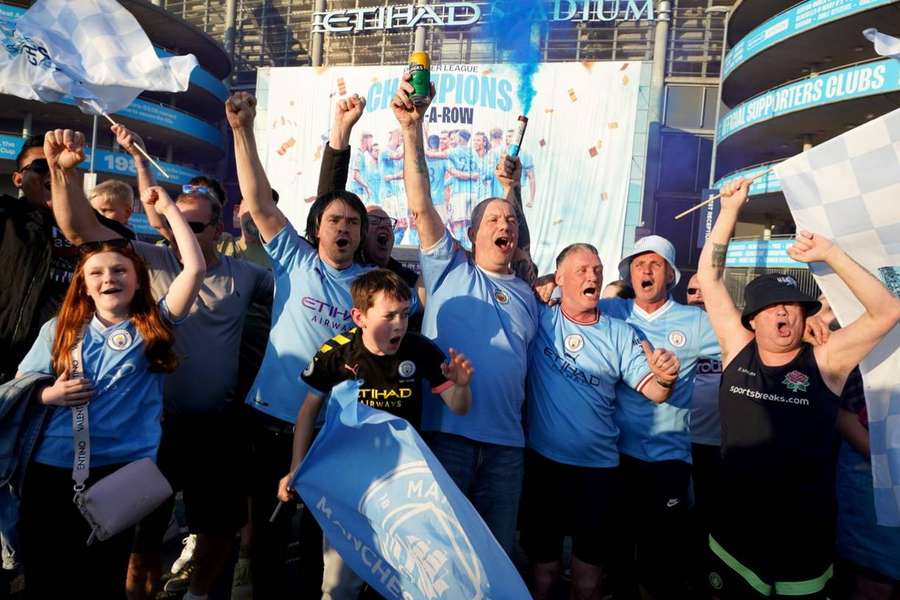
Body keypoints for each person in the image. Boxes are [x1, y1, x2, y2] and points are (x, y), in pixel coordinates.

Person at [43, 128, 275, 600]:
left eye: (197, 226)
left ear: (220, 230)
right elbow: (78, 229)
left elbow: (302, 297)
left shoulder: (247, 276)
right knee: (141, 535)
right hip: (152, 429)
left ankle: (196, 596)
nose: (183, 234)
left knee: (219, 529)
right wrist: (61, 172)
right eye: (176, 225)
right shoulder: (147, 261)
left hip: (216, 427)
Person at [696, 177, 900, 599]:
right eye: (770, 307)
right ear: (752, 318)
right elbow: (709, 278)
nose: (782, 312)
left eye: (791, 305)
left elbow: (887, 311)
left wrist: (831, 254)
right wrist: (730, 211)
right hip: (735, 536)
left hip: (803, 541)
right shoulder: (738, 348)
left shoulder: (827, 361)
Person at [15, 174, 204, 599]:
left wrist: (170, 209)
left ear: (138, 280)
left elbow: (194, 268)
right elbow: (21, 388)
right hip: (51, 471)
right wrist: (50, 395)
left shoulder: (152, 326)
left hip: (120, 475)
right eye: (96, 272)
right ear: (83, 284)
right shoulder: (58, 329)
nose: (108, 278)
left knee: (100, 579)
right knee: (44, 576)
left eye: (120, 270)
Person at [227, 91, 378, 598]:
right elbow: (259, 201)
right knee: (266, 537)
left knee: (322, 541)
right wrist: (242, 130)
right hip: (273, 422)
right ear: (318, 229)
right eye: (335, 220)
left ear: (360, 236)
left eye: (353, 223)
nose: (344, 227)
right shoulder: (296, 259)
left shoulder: (376, 287)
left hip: (335, 432)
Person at [392, 74, 539, 556]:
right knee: (442, 553)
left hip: (507, 451)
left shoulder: (527, 295)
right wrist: (413, 130)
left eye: (511, 220)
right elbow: (420, 202)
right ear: (471, 233)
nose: (506, 225)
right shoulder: (448, 266)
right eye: (494, 219)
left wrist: (510, 191)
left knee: (496, 556)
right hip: (446, 438)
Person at [276, 268, 473, 599]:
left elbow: (459, 407)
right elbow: (308, 410)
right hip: (351, 484)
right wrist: (297, 465)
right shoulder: (336, 352)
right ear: (360, 317)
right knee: (340, 585)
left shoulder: (420, 350)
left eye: (404, 314)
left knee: (403, 582)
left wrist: (462, 386)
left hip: (403, 486)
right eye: (389, 315)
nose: (399, 324)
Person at [522, 242, 681, 600]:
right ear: (560, 278)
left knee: (588, 581)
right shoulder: (540, 317)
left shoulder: (621, 333)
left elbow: (656, 391)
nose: (592, 276)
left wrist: (665, 377)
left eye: (596, 269)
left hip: (597, 473)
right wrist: (539, 283)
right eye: (581, 270)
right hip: (544, 467)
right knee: (544, 573)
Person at [0, 134, 132, 384]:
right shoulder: (7, 217)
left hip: (74, 369)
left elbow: (123, 244)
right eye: (42, 166)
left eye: (58, 164)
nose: (51, 171)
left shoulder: (96, 228)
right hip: (8, 360)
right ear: (18, 179)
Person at [685, 273, 724, 597]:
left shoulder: (734, 333)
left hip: (718, 447)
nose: (697, 297)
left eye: (703, 291)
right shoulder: (675, 330)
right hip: (678, 444)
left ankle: (704, 581)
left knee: (710, 521)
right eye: (691, 291)